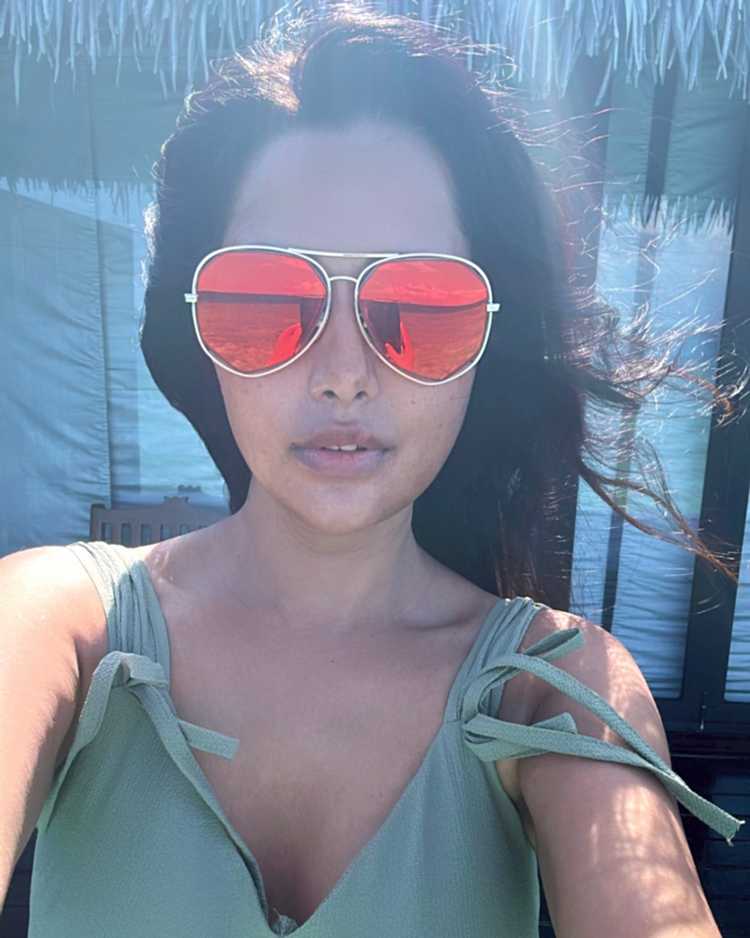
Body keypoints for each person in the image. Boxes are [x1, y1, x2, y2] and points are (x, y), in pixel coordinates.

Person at [1, 3, 743, 936]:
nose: (344, 373)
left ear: (489, 342)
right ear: (197, 330)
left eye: (422, 305)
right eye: (264, 298)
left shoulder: (556, 683)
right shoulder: (57, 621)